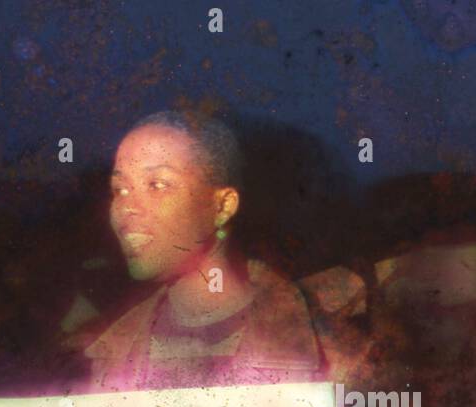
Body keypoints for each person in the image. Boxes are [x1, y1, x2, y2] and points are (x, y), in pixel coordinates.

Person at [79, 111, 323, 391]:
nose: (126, 207)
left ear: (222, 206)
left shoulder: (330, 340)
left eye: (157, 185)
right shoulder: (108, 353)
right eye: (120, 189)